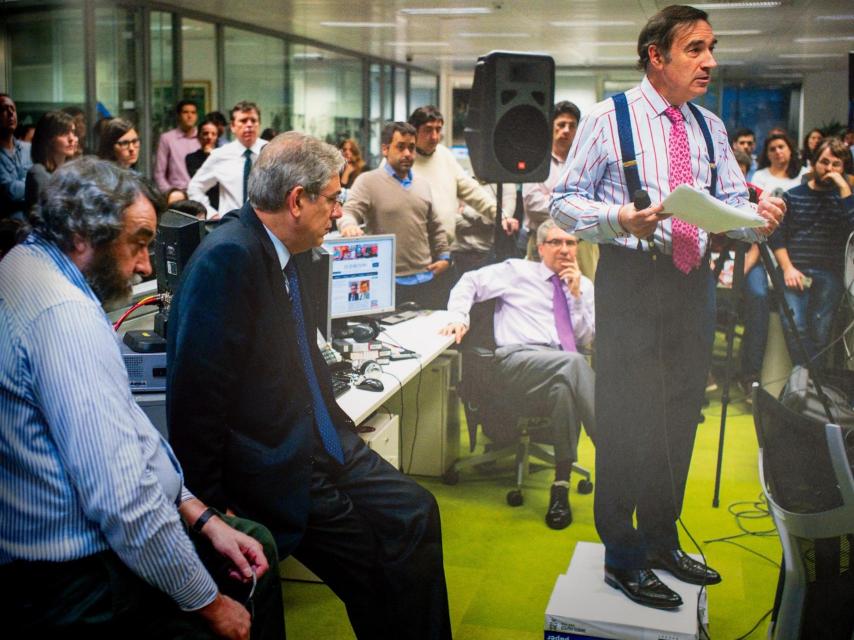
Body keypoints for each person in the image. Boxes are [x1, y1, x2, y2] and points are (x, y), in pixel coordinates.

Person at [167, 132, 452, 640]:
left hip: (323, 437)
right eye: (335, 198)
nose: (340, 212)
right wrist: (210, 508)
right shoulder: (228, 258)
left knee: (415, 512)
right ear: (297, 200)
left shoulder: (286, 250)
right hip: (275, 462)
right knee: (374, 566)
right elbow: (196, 401)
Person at [551, 4, 784, 610]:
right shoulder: (609, 119)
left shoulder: (708, 126)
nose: (709, 61)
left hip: (694, 283)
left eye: (711, 48)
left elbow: (734, 204)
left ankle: (660, 538)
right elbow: (563, 203)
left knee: (681, 415)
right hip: (632, 280)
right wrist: (617, 217)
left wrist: (761, 221)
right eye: (695, 49)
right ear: (657, 56)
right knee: (627, 418)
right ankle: (622, 556)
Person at [0, 157, 284, 639]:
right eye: (138, 243)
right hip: (77, 585)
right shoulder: (64, 316)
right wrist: (210, 605)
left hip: (59, 564)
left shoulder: (26, 264)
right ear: (84, 236)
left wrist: (199, 513)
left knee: (249, 541)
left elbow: (129, 427)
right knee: (247, 588)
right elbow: (124, 501)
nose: (145, 265)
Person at [441, 219, 596, 530]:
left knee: (566, 385)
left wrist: (577, 296)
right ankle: (611, 443)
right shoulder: (517, 271)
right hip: (514, 364)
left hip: (556, 367)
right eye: (556, 242)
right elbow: (469, 282)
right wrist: (459, 317)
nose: (564, 249)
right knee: (576, 364)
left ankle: (560, 487)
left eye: (570, 243)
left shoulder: (585, 285)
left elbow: (585, 338)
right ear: (540, 248)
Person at [339, 121, 452, 310]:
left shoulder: (422, 184)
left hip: (426, 279)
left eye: (411, 148)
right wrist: (348, 226)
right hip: (388, 283)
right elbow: (349, 211)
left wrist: (444, 258)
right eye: (400, 147)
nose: (407, 153)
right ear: (385, 149)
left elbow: (435, 226)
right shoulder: (368, 182)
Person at [769, 137, 854, 369]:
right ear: (814, 163)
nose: (829, 169)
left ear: (843, 168)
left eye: (836, 165)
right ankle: (810, 384)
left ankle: (805, 385)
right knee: (794, 326)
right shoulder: (792, 195)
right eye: (824, 162)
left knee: (821, 332)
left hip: (830, 274)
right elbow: (776, 235)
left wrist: (845, 189)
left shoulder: (845, 199)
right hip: (794, 269)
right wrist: (787, 268)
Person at [407, 105, 516, 268]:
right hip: (410, 255)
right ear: (414, 131)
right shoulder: (401, 161)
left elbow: (473, 191)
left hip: (444, 254)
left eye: (438, 130)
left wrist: (501, 215)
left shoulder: (445, 156)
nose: (434, 136)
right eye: (428, 130)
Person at [187, 101, 267, 220]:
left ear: (259, 124)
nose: (249, 125)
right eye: (243, 121)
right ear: (233, 127)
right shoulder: (220, 155)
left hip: (266, 226)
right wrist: (210, 213)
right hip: (231, 224)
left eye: (253, 120)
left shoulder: (272, 152)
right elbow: (194, 188)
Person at [24, 110, 78, 212]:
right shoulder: (38, 172)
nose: (72, 138)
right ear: (48, 138)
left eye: (73, 132)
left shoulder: (71, 172)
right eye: (64, 133)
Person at [155, 100, 201, 192]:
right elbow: (159, 172)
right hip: (177, 192)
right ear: (179, 116)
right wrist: (169, 194)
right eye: (185, 112)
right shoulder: (167, 138)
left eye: (193, 112)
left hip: (201, 193)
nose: (189, 116)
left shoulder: (202, 138)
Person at [0, 93, 32, 221]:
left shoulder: (28, 148)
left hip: (30, 225)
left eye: (13, 109)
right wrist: (31, 185)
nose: (11, 113)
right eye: (4, 109)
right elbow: (9, 191)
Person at [185, 119, 221, 211]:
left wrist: (212, 154)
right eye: (205, 133)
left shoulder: (224, 156)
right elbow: (197, 179)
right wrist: (209, 157)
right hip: (200, 202)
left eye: (213, 134)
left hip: (221, 201)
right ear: (198, 136)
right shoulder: (191, 157)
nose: (209, 137)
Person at [752, 132, 803, 196]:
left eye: (781, 147)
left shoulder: (804, 173)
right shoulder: (759, 176)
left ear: (790, 149)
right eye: (772, 149)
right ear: (767, 155)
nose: (777, 151)